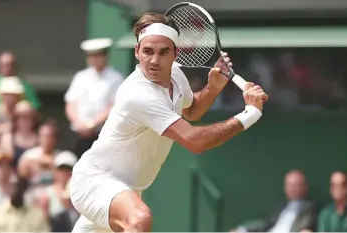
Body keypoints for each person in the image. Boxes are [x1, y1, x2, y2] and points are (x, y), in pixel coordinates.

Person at [69, 13, 268, 233]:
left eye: (163, 52)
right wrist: (249, 114)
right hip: (95, 181)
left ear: (176, 54)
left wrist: (214, 87)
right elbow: (195, 141)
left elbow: (192, 111)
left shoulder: (175, 74)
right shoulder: (138, 95)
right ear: (137, 52)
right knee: (139, 220)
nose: (154, 60)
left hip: (128, 191)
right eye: (148, 51)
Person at [64, 38, 124, 158]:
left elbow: (112, 106)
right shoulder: (80, 77)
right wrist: (79, 124)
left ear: (105, 56)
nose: (95, 59)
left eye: (98, 55)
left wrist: (92, 125)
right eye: (91, 56)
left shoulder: (116, 78)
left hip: (102, 135)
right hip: (79, 135)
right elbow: (71, 104)